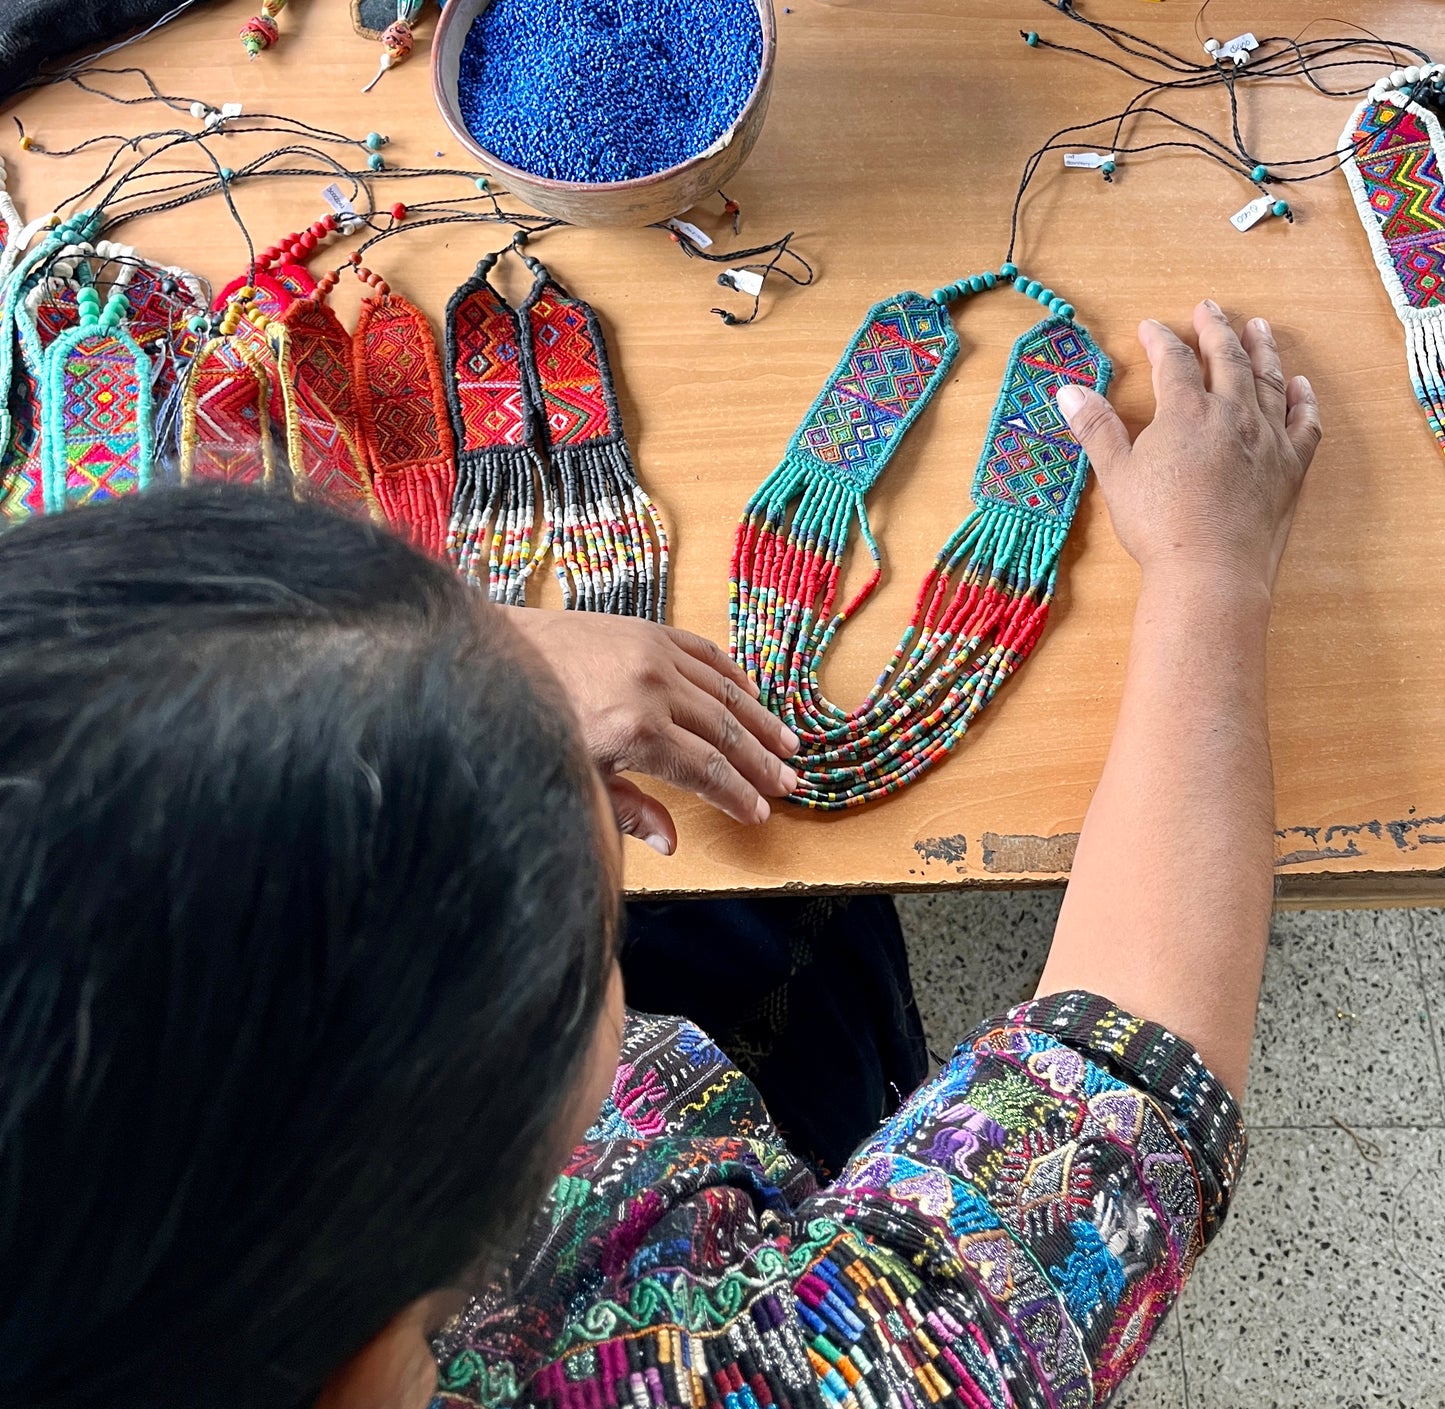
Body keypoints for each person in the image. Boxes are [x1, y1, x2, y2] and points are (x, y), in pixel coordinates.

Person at [0, 299, 1319, 1409]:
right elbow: (1117, 1083)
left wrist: (447, 668)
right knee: (796, 931)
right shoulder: (780, 1373)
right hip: (710, 1193)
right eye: (583, 946)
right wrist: (1211, 568)